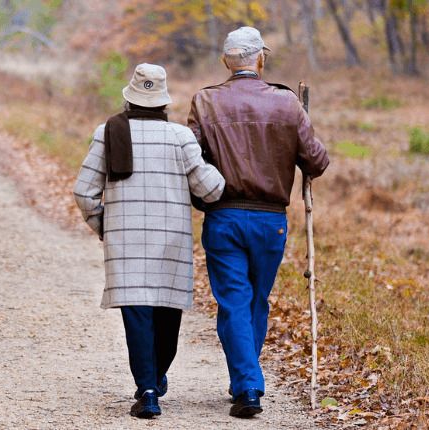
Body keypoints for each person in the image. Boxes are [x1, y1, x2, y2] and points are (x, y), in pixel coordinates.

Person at [186, 26, 330, 418]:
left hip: (224, 215)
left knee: (234, 301)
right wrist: (299, 126)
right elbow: (317, 161)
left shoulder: (205, 101)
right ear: (260, 59)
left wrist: (203, 192)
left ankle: (246, 383)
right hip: (270, 221)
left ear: (225, 62)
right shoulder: (286, 103)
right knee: (254, 300)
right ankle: (247, 383)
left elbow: (189, 158)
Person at [73, 63, 225, 419]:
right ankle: (154, 379)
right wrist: (216, 166)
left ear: (129, 98)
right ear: (163, 102)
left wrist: (104, 226)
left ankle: (148, 389)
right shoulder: (180, 137)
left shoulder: (107, 133)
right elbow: (211, 189)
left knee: (137, 315)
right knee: (166, 315)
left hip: (125, 243)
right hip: (170, 241)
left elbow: (84, 192)